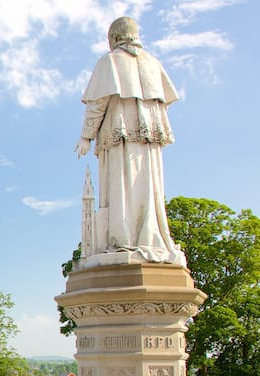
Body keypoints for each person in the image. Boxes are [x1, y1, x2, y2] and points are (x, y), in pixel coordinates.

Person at [75, 17, 185, 266]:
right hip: (148, 139)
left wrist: (86, 136)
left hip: (120, 134)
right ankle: (151, 237)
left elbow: (98, 102)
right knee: (148, 187)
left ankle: (122, 237)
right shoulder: (153, 64)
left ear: (113, 37)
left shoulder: (110, 61)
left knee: (120, 186)